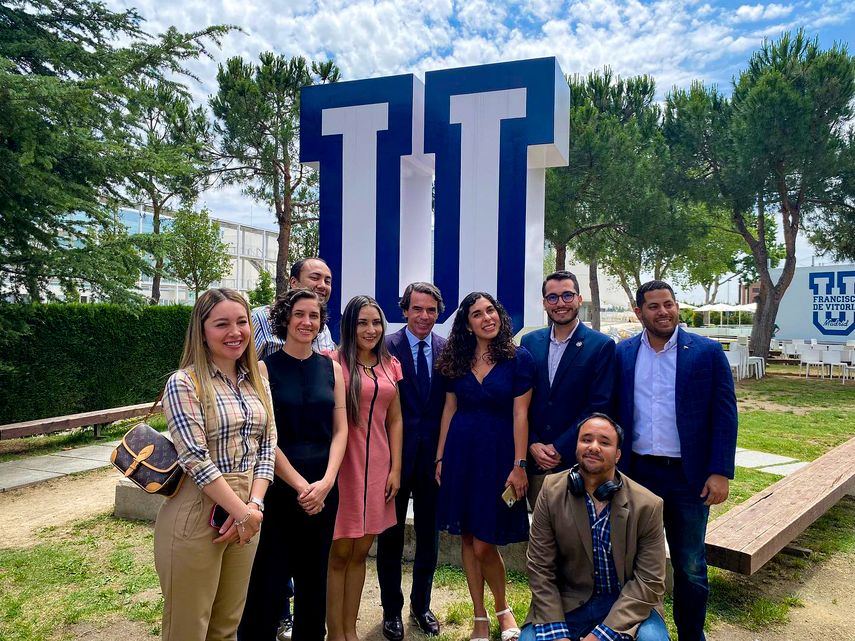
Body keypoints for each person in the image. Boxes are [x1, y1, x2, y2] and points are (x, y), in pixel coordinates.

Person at [615, 280, 738, 641]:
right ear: (639, 313)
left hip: (689, 478)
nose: (663, 311)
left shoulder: (706, 352)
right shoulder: (622, 353)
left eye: (668, 304)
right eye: (653, 306)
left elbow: (725, 415)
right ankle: (639, 631)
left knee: (690, 565)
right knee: (633, 561)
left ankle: (691, 634)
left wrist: (719, 472)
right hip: (637, 474)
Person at [155, 288, 276, 641]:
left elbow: (267, 446)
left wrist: (254, 505)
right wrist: (243, 511)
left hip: (247, 509)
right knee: (188, 628)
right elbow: (194, 458)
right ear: (202, 330)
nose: (235, 332)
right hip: (197, 509)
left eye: (241, 322)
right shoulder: (183, 383)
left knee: (225, 627)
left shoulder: (259, 382)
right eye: (222, 324)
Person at [239, 288, 348, 640]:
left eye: (314, 316)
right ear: (285, 319)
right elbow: (266, 437)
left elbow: (341, 429)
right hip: (278, 488)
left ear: (321, 323)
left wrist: (327, 481)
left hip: (325, 489)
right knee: (269, 578)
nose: (307, 322)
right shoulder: (263, 369)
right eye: (299, 314)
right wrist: (301, 485)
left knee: (314, 577)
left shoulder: (333, 369)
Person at [435, 292, 535, 641]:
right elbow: (450, 409)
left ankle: (503, 608)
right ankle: (479, 616)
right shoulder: (456, 359)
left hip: (498, 457)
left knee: (484, 542)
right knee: (466, 535)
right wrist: (441, 456)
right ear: (467, 323)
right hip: (461, 454)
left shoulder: (518, 358)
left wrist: (519, 464)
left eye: (491, 310)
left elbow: (521, 414)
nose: (486, 318)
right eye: (477, 314)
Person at [523, 414, 670, 641]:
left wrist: (600, 636)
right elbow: (540, 569)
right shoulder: (551, 491)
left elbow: (649, 582)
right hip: (567, 602)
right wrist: (558, 634)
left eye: (604, 442)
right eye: (586, 440)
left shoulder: (648, 505)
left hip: (626, 604)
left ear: (618, 454)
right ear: (576, 447)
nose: (593, 447)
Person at [327, 295, 404, 641]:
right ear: (349, 326)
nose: (371, 330)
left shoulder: (391, 365)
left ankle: (350, 630)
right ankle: (334, 631)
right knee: (340, 551)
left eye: (376, 322)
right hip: (344, 467)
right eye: (362, 322)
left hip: (380, 470)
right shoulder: (332, 363)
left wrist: (396, 469)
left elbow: (396, 419)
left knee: (361, 552)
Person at [377, 283, 447, 640]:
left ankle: (421, 605)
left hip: (434, 461)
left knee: (428, 538)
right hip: (393, 461)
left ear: (439, 312)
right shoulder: (384, 347)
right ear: (404, 311)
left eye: (431, 310)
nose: (424, 316)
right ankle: (391, 611)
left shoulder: (446, 349)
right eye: (417, 309)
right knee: (389, 538)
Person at [521, 270, 616, 506]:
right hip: (536, 461)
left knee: (578, 538)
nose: (560, 303)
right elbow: (522, 401)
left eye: (567, 295)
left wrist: (558, 448)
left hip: (577, 461)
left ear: (579, 299)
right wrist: (532, 443)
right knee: (542, 536)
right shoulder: (529, 342)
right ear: (544, 303)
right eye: (552, 298)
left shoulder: (601, 345)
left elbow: (598, 406)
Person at [253, 257, 335, 359]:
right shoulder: (260, 318)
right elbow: (243, 369)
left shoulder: (323, 328)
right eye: (314, 278)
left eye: (327, 281)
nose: (322, 285)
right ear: (293, 282)